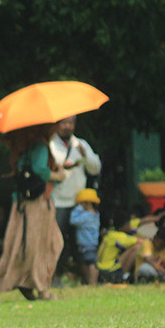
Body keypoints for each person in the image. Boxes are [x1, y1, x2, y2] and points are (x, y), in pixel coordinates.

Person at [0, 123, 66, 300]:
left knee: (26, 244)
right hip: (38, 203)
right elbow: (40, 170)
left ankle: (26, 282)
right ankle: (42, 289)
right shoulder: (40, 145)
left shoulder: (24, 146)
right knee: (48, 244)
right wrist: (59, 176)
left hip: (23, 203)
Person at [50, 115, 102, 277]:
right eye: (64, 123)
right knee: (56, 241)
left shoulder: (81, 144)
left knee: (81, 243)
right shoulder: (51, 144)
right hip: (58, 201)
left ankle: (85, 279)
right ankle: (53, 277)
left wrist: (85, 156)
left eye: (71, 123)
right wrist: (60, 167)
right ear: (57, 125)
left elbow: (95, 169)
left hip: (80, 202)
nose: (67, 126)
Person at [96, 208, 141, 283]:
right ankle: (124, 275)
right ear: (125, 225)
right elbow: (140, 241)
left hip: (99, 269)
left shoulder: (110, 234)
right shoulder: (119, 236)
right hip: (109, 269)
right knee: (136, 247)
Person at [69, 188, 101, 285]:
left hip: (86, 243)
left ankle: (91, 282)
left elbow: (73, 220)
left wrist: (78, 208)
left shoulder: (86, 216)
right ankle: (91, 282)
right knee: (90, 262)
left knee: (89, 263)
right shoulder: (95, 214)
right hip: (93, 243)